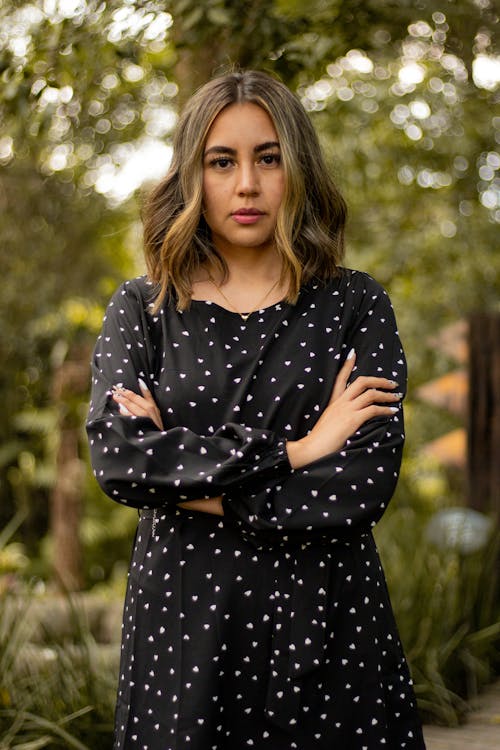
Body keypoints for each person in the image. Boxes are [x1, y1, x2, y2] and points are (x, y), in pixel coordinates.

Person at [86, 69, 426, 749]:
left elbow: (360, 487)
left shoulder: (355, 307)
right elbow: (121, 461)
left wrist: (187, 481)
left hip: (330, 626)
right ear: (192, 175)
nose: (247, 184)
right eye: (222, 161)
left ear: (296, 168)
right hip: (183, 637)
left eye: (267, 158)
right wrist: (298, 451)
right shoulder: (146, 309)